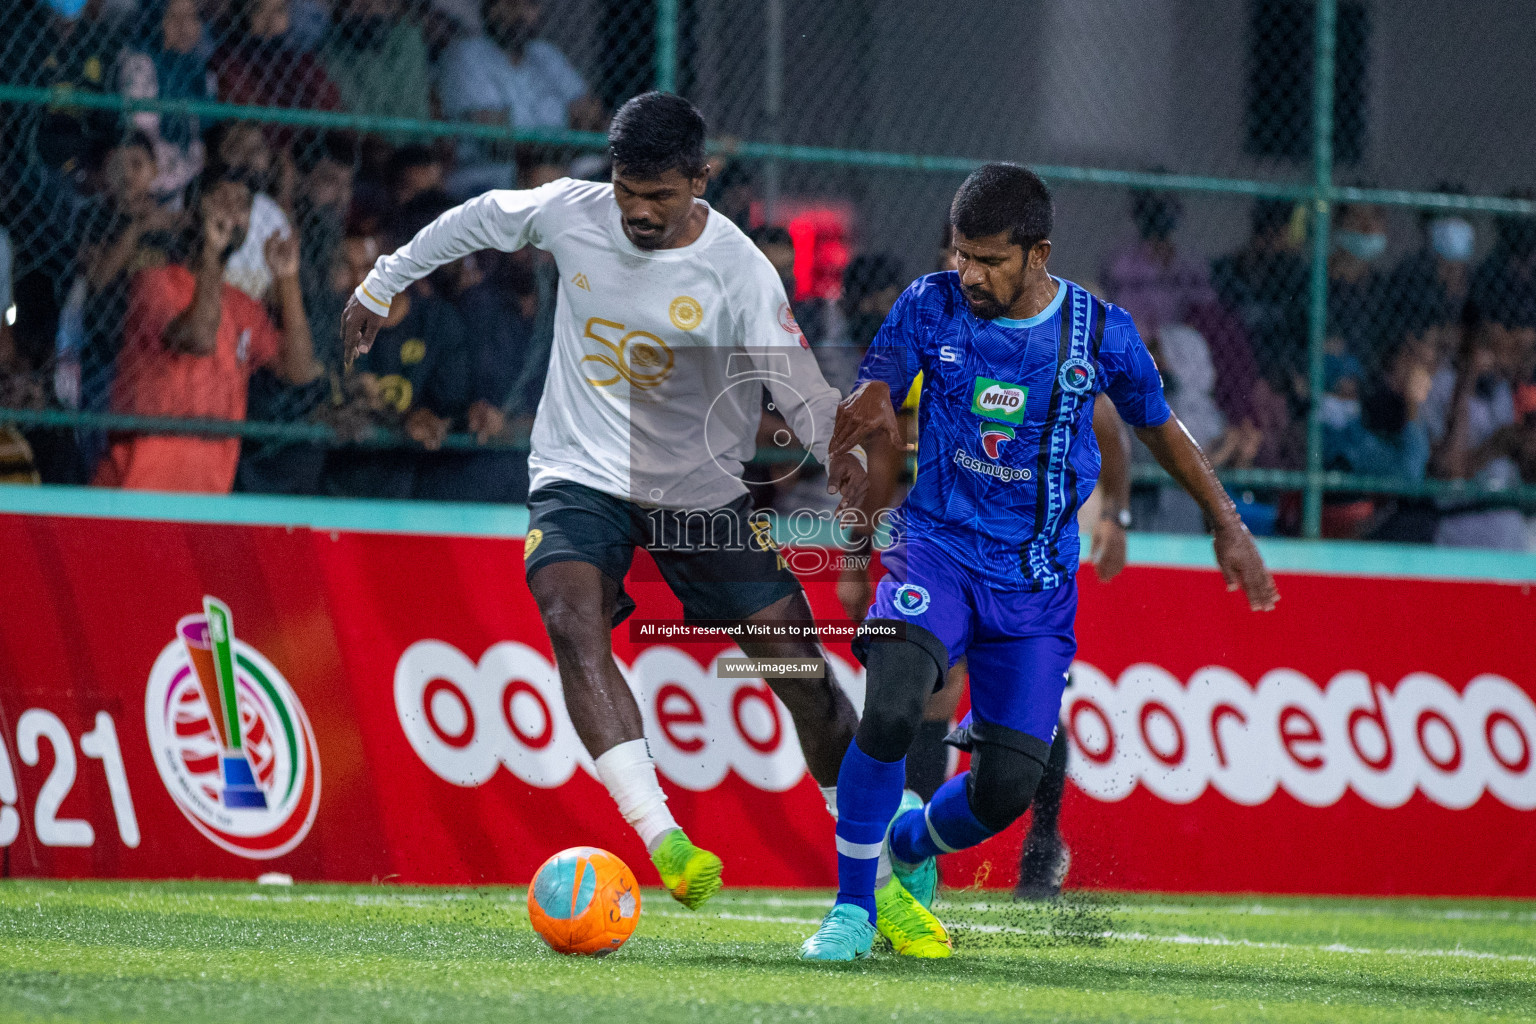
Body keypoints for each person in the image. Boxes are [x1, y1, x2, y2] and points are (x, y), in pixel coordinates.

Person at [340, 92, 865, 909]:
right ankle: (665, 839)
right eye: (628, 190)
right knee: (566, 616)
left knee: (802, 678)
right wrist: (382, 281)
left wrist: (856, 469)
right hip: (577, 472)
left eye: (660, 195)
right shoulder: (571, 212)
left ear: (702, 179)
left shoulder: (737, 270)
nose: (639, 211)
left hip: (697, 490)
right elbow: (476, 217)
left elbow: (798, 391)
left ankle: (869, 849)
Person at [800, 163, 1278, 962]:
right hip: (937, 551)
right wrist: (876, 396)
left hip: (1035, 585)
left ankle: (912, 844)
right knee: (889, 709)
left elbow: (1157, 429)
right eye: (961, 254)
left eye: (988, 259)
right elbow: (878, 382)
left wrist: (1224, 523)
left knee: (1004, 792)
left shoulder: (1100, 334)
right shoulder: (930, 303)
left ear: (1038, 253)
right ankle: (852, 910)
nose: (969, 274)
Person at [92, 164, 321, 492]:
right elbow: (199, 337)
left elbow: (299, 371)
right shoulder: (157, 281)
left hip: (209, 486)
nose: (231, 212)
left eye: (242, 204)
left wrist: (288, 279)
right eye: (220, 200)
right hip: (139, 480)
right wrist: (211, 252)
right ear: (191, 212)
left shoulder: (242, 304)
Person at [436, 0, 603, 195]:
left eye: (530, 5)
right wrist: (570, 141)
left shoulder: (546, 54)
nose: (521, 15)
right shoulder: (468, 54)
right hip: (490, 176)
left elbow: (593, 117)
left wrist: (553, 148)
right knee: (547, 177)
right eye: (512, 4)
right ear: (490, 9)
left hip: (562, 167)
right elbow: (497, 139)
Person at [117, 0, 214, 204]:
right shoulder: (140, 61)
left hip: (186, 186)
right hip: (146, 183)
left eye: (191, 17)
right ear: (156, 20)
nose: (184, 26)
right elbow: (143, 132)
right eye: (173, 17)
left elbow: (203, 131)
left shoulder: (198, 69)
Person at [322, 0, 431, 125]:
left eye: (364, 7)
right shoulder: (335, 48)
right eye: (350, 6)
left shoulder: (406, 37)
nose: (355, 11)